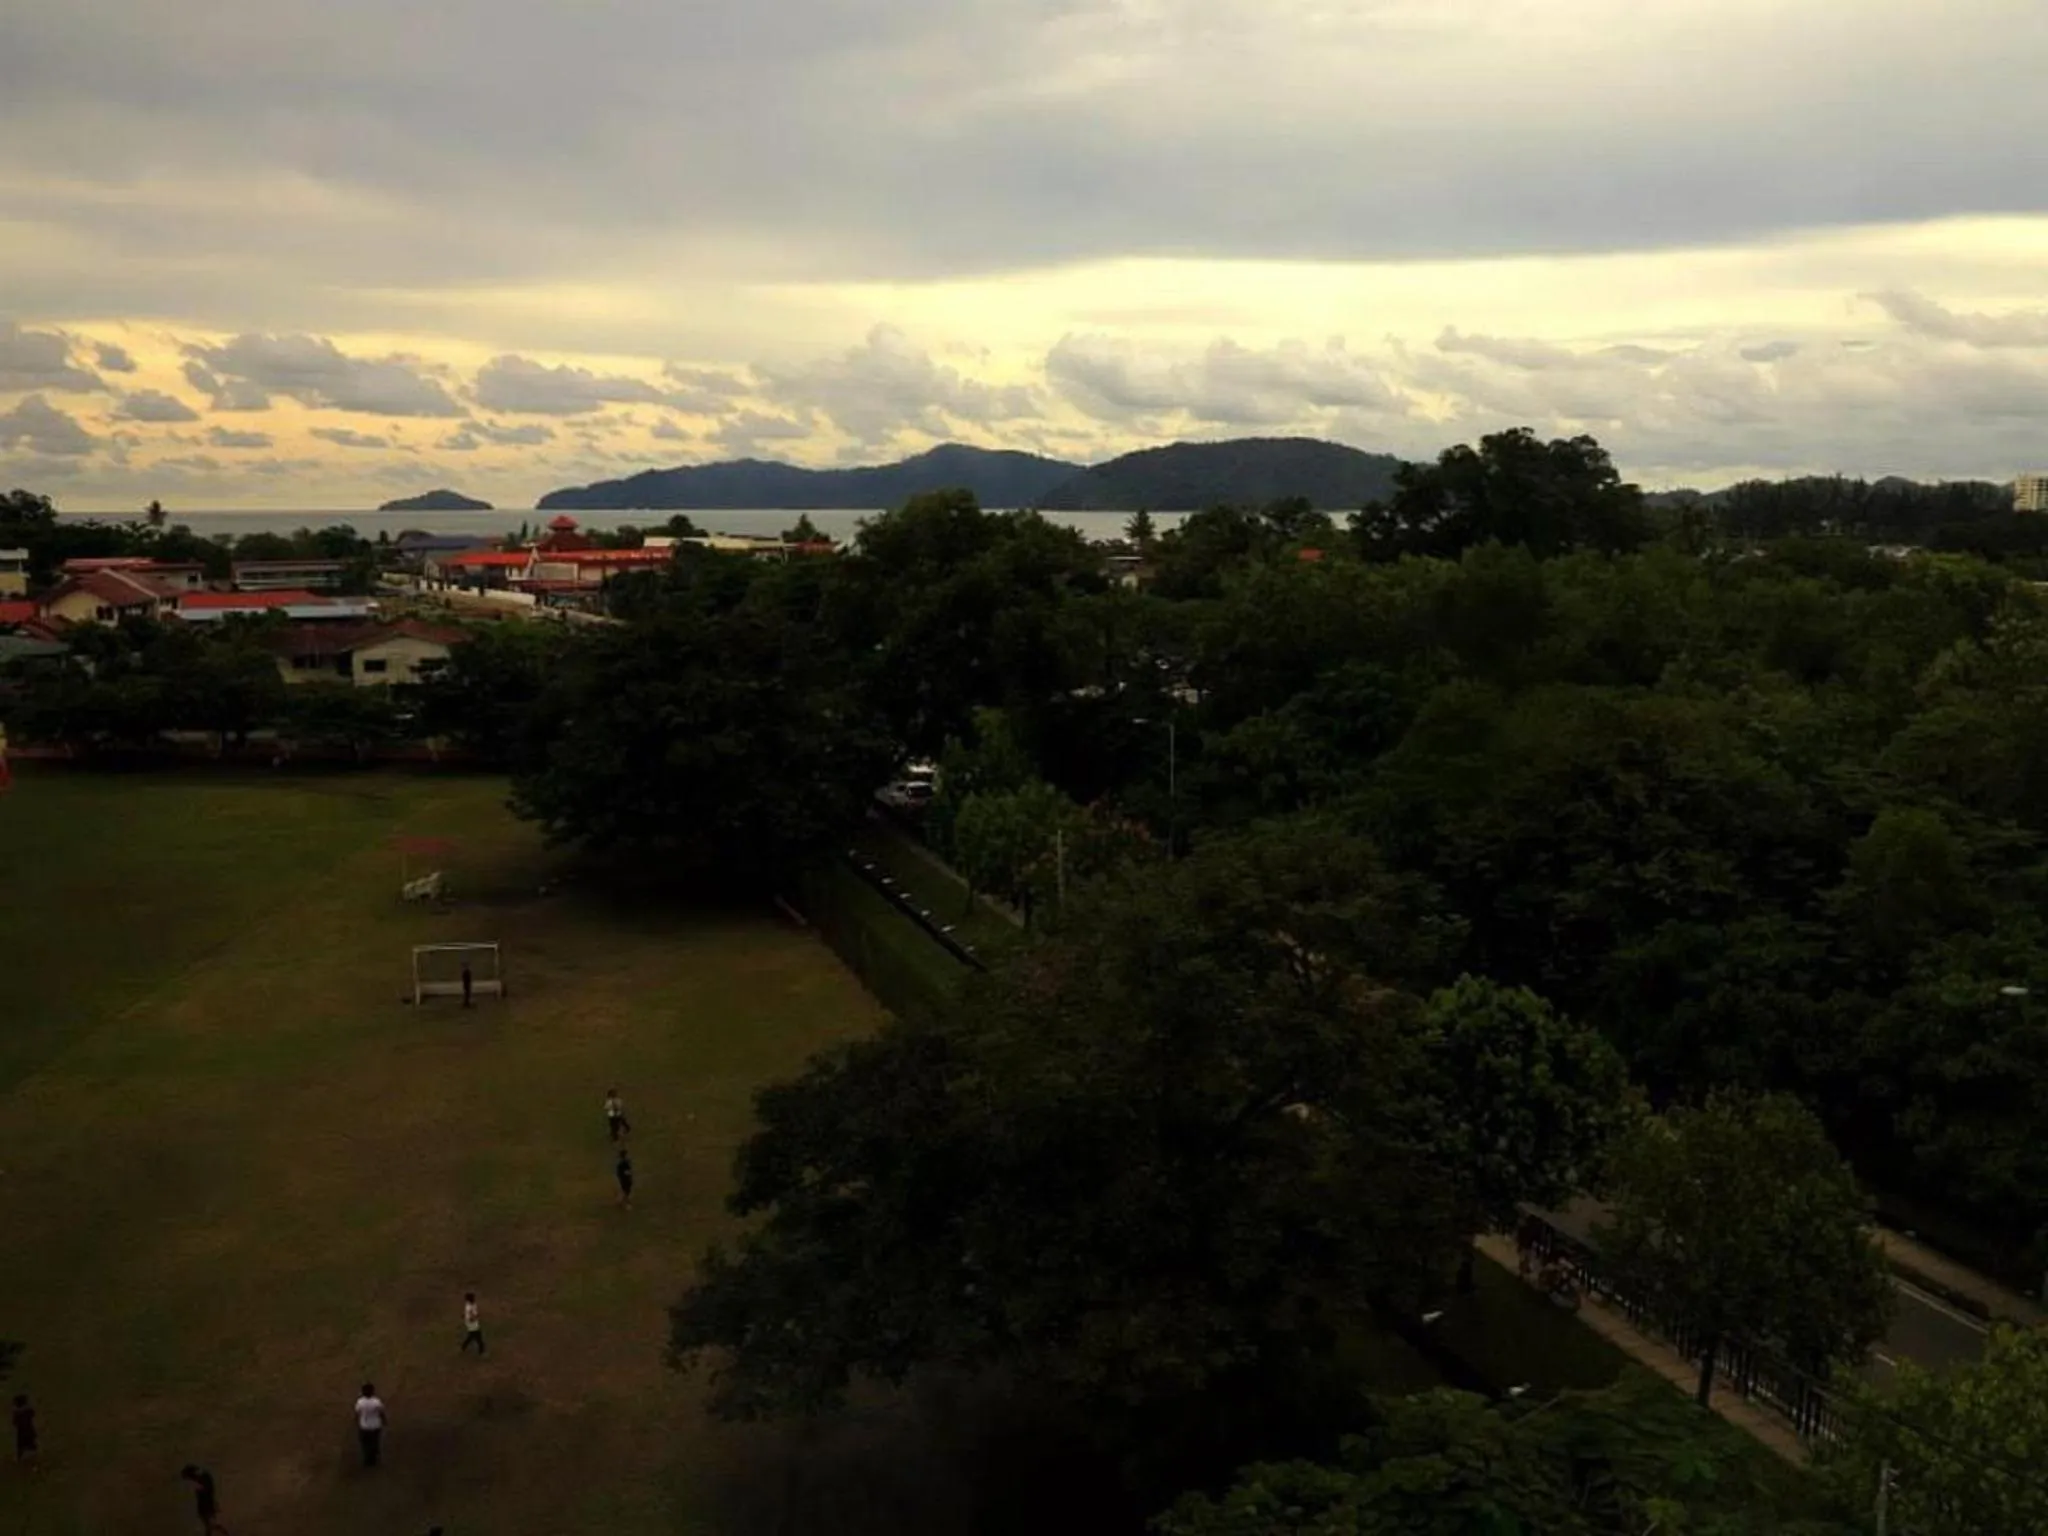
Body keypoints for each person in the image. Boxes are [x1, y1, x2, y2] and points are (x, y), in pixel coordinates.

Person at [181, 1464, 229, 1534]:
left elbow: (204, 1489)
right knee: (210, 1526)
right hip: (205, 1505)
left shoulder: (203, 1479)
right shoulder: (203, 1477)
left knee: (211, 1525)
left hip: (207, 1505)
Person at [354, 1383, 386, 1468]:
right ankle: (374, 1457)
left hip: (364, 1426)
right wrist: (384, 1421)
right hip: (375, 1425)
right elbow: (381, 1413)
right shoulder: (376, 1402)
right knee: (375, 1442)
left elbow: (357, 1413)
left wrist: (356, 1422)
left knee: (365, 1443)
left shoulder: (360, 1402)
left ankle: (367, 1459)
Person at [11, 1392, 35, 1466]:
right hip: (29, 1429)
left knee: (20, 1446)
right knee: (31, 1443)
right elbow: (33, 1414)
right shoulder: (28, 1410)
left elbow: (14, 1422)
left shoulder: (17, 1412)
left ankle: (19, 1458)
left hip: (21, 1432)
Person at [461, 1291, 485, 1356]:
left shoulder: (472, 1304)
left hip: (473, 1323)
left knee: (472, 1336)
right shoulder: (469, 1307)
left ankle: (464, 1346)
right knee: (478, 1336)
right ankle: (482, 1351)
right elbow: (471, 1317)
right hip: (472, 1323)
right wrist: (475, 1317)